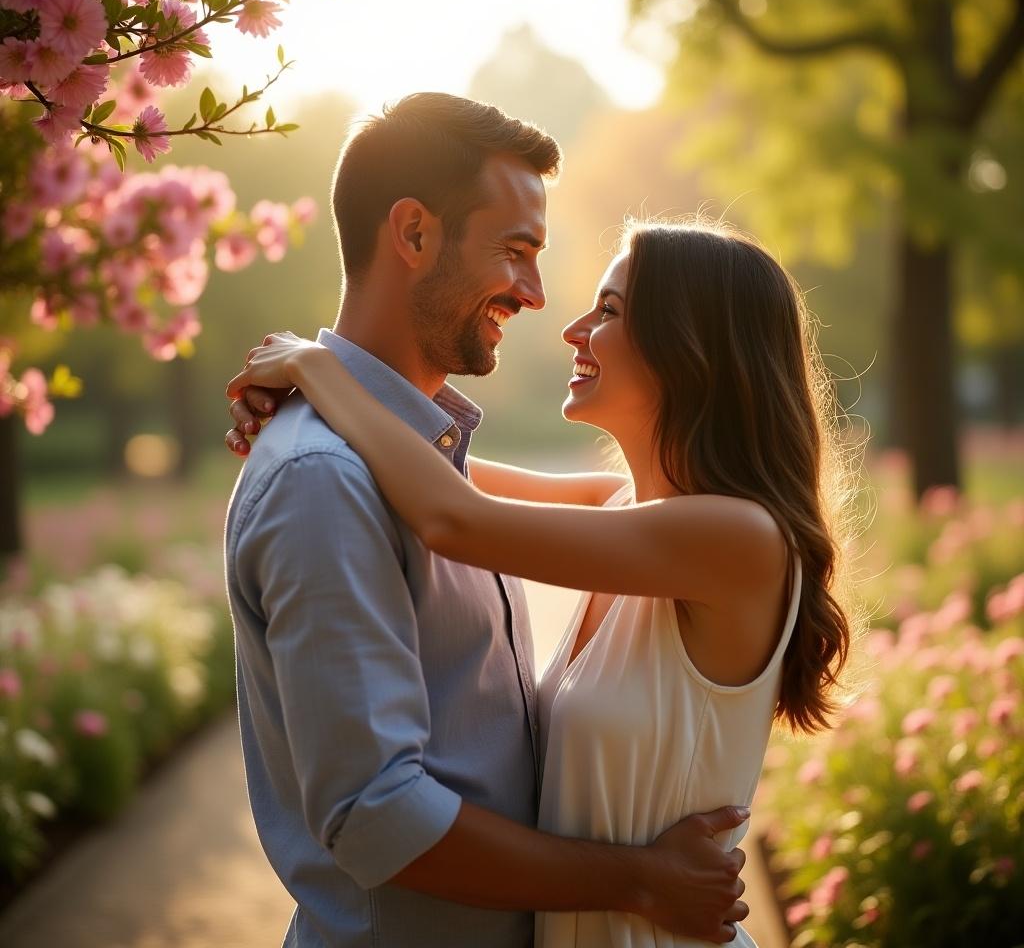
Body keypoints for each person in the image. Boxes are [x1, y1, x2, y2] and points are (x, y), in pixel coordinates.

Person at [226, 216, 856, 948]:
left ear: (694, 346)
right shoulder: (615, 506)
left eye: (611, 310)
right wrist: (303, 421)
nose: (573, 328)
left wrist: (314, 370)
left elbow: (450, 515)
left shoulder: (737, 539)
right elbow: (419, 465)